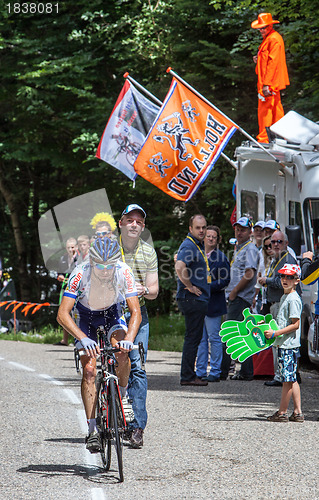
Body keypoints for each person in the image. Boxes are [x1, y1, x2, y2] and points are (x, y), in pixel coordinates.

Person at [57, 237, 141, 452]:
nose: (105, 270)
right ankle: (92, 430)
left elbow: (135, 313)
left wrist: (129, 340)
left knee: (122, 353)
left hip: (112, 314)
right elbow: (62, 314)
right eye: (100, 266)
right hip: (86, 319)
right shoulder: (79, 273)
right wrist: (83, 339)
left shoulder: (123, 271)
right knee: (90, 371)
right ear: (92, 263)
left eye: (109, 265)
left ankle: (123, 400)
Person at [118, 204, 159, 448]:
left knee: (137, 367)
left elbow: (154, 291)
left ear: (142, 227)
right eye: (130, 220)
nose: (134, 224)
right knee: (112, 362)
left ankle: (137, 428)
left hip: (137, 313)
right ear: (121, 223)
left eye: (139, 222)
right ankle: (111, 414)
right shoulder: (108, 248)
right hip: (110, 312)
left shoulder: (147, 251)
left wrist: (145, 289)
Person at [258, 230, 300, 386]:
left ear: (286, 244)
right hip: (277, 303)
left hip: (284, 304)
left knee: (281, 339)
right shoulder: (278, 259)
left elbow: (282, 283)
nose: (275, 245)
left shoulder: (287, 260)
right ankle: (287, 374)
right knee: (281, 340)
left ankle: (281, 376)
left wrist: (265, 280)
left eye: (279, 242)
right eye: (272, 243)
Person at [221, 217, 259, 381]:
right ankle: (246, 371)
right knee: (243, 335)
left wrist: (234, 292)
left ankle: (221, 372)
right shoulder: (240, 248)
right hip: (238, 297)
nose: (239, 232)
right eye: (237, 229)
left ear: (250, 231)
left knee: (228, 334)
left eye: (243, 229)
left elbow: (249, 273)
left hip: (240, 298)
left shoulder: (250, 249)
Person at [264, 264, 304, 422]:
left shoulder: (293, 299)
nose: (285, 280)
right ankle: (298, 412)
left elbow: (296, 324)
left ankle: (282, 413)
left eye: (290, 277)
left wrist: (275, 333)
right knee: (292, 378)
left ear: (297, 280)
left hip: (287, 345)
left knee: (286, 380)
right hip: (287, 344)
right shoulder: (285, 296)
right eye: (282, 276)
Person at [175, 214, 210, 387]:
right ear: (190, 229)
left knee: (194, 337)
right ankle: (188, 376)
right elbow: (179, 267)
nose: (202, 230)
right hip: (192, 299)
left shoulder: (196, 244)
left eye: (204, 227)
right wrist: (189, 286)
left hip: (196, 300)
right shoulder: (189, 244)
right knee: (192, 338)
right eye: (198, 227)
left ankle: (189, 374)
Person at [195, 225, 230, 382]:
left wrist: (208, 287)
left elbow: (225, 280)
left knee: (214, 339)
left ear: (217, 240)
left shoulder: (221, 258)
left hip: (214, 304)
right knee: (200, 339)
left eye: (213, 237)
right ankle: (200, 371)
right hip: (198, 304)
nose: (210, 238)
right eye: (208, 236)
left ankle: (215, 372)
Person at [251, 13, 290, 143]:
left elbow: (274, 63)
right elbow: (268, 59)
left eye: (264, 27)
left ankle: (264, 138)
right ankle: (280, 135)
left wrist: (266, 84)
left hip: (269, 82)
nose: (262, 30)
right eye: (260, 28)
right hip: (269, 81)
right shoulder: (270, 38)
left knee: (265, 110)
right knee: (275, 108)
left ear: (271, 25)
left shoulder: (273, 39)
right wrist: (259, 59)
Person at [54, 237, 79, 346]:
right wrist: (60, 276)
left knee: (77, 314)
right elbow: (59, 273)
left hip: (77, 289)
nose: (70, 249)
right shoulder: (63, 259)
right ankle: (65, 339)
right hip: (65, 288)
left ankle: (77, 338)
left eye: (72, 247)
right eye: (68, 247)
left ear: (76, 247)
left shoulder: (81, 259)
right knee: (64, 312)